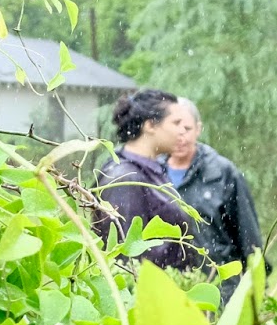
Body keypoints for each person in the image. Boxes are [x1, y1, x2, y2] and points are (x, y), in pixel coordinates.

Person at [166, 98, 263, 304]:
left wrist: (257, 281)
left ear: (198, 129)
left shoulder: (222, 173)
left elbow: (247, 233)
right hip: (170, 287)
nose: (180, 135)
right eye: (174, 127)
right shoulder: (152, 174)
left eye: (187, 128)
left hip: (220, 287)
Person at [94, 88, 201, 272]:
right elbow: (124, 259)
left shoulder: (150, 170)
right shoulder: (124, 179)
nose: (182, 131)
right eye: (176, 123)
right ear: (150, 125)